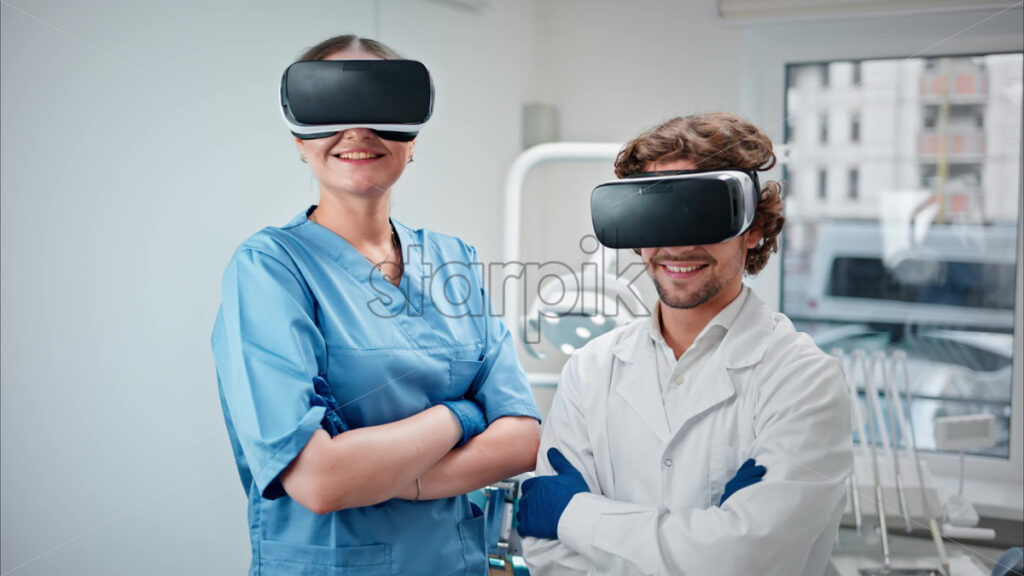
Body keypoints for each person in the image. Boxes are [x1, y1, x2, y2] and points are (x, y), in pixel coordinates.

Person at [211, 34, 541, 575]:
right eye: (331, 109)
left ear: (413, 139)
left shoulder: (452, 259)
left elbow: (522, 436)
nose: (357, 132)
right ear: (299, 139)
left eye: (382, 109)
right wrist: (462, 414)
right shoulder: (270, 268)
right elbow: (319, 480)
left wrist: (395, 477)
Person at [517, 113, 853, 575]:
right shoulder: (590, 369)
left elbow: (746, 560)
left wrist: (573, 515)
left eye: (705, 214)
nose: (678, 245)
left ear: (754, 228)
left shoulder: (803, 379)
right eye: (657, 215)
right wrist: (706, 541)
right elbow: (546, 554)